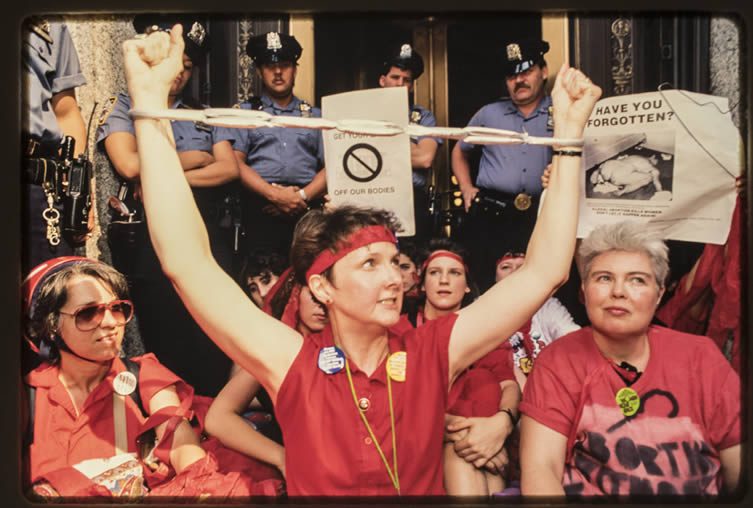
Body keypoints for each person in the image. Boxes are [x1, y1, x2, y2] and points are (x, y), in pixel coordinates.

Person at [122, 25, 601, 495]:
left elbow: (544, 271)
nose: (394, 277)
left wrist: (570, 139)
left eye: (393, 262)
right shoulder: (291, 361)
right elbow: (188, 262)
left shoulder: (434, 352)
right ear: (322, 288)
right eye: (369, 264)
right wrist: (148, 105)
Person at [519, 221, 742, 498]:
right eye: (604, 278)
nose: (619, 292)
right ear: (584, 290)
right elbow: (541, 471)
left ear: (660, 294)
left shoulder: (702, 357)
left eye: (637, 279)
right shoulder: (559, 361)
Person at [97, 15, 238, 397]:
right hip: (151, 232)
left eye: (188, 68)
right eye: (177, 64)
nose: (179, 75)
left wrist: (162, 174)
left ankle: (216, 412)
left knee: (215, 323)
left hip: (205, 227)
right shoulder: (125, 105)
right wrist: (195, 159)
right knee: (165, 324)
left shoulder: (203, 113)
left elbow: (227, 169)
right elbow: (127, 164)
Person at [22, 256, 205, 497]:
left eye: (117, 309)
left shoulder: (144, 376)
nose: (110, 323)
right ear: (51, 324)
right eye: (88, 313)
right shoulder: (27, 394)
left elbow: (183, 449)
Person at [402, 239, 518, 496]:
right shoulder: (401, 331)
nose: (444, 280)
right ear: (421, 284)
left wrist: (502, 424)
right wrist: (464, 434)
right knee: (461, 454)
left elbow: (509, 385)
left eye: (454, 273)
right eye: (435, 273)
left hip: (489, 443)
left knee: (480, 383)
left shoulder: (487, 330)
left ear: (467, 286)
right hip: (420, 446)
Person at [205, 268, 329, 480]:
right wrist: (281, 457)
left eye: (329, 293)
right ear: (295, 293)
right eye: (314, 295)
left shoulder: (349, 346)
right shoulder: (276, 349)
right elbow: (217, 418)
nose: (322, 303)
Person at [451, 39, 553, 290]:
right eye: (511, 76)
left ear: (544, 71)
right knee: (484, 281)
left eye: (527, 72)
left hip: (542, 213)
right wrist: (466, 187)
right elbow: (459, 151)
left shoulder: (560, 112)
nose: (519, 80)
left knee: (540, 283)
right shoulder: (489, 114)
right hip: (491, 215)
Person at [216, 31, 326, 260]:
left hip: (306, 209)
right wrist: (274, 195)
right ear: (259, 71)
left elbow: (333, 167)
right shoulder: (245, 114)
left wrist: (301, 197)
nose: (277, 72)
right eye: (269, 66)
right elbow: (235, 163)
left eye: (285, 65)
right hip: (260, 208)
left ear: (295, 69)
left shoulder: (316, 116)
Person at [22, 17, 88, 273]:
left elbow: (67, 111)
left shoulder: (47, 19)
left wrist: (80, 194)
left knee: (50, 295)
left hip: (38, 186)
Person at [378, 43, 441, 243]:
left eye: (406, 80)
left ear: (412, 86)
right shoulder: (367, 111)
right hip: (372, 194)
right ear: (382, 80)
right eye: (395, 78)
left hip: (411, 199)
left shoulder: (423, 117)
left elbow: (424, 159)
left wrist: (381, 144)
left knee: (412, 260)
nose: (400, 84)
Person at [494, 251, 580, 390]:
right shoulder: (482, 311)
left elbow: (573, 339)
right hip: (507, 394)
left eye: (522, 266)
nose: (515, 272)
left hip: (551, 390)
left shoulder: (547, 305)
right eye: (505, 267)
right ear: (495, 278)